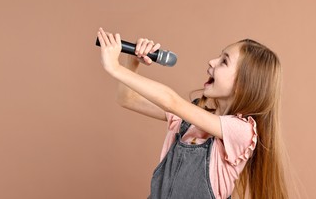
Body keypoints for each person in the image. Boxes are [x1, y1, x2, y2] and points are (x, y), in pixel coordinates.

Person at [96, 28, 289, 199]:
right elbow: (127, 99)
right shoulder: (191, 120)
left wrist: (115, 68)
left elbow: (171, 102)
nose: (212, 62)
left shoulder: (242, 131)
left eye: (224, 62)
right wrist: (132, 63)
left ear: (243, 85)